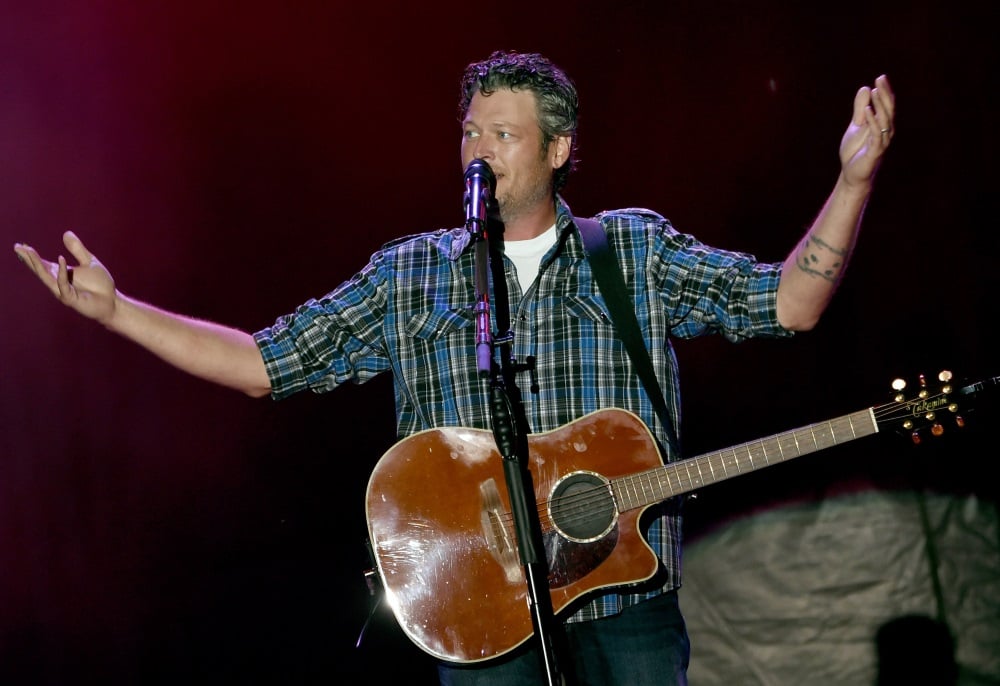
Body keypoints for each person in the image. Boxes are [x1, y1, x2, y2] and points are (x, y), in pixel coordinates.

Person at [13, 50, 895, 685]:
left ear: (556, 149)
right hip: (480, 612)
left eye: (503, 133)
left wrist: (852, 182)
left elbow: (789, 304)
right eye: (470, 130)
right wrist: (117, 312)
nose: (478, 148)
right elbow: (262, 364)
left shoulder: (630, 246)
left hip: (625, 603)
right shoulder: (410, 271)